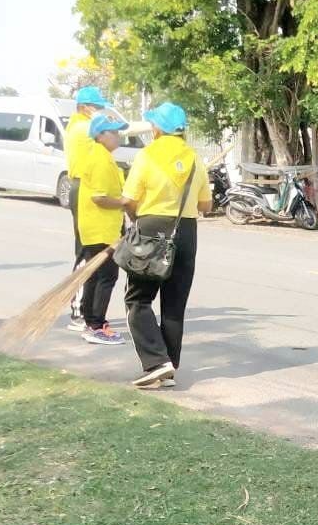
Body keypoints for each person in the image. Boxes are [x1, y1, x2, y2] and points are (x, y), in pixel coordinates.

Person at [119, 102, 211, 389]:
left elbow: (129, 200)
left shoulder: (147, 155)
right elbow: (206, 204)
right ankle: (169, 366)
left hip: (152, 227)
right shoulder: (195, 159)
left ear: (158, 128)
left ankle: (157, 363)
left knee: (137, 298)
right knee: (174, 304)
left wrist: (136, 220)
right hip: (186, 231)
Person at [74, 113, 128, 345]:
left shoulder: (101, 156)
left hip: (98, 226)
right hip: (100, 228)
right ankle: (96, 325)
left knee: (95, 275)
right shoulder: (99, 159)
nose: (118, 137)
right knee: (107, 275)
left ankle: (90, 321)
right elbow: (100, 198)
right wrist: (124, 203)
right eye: (114, 132)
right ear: (100, 135)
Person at [66, 85, 107, 325]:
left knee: (90, 247)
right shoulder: (82, 127)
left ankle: (83, 307)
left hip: (84, 186)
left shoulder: (78, 124)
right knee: (87, 249)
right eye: (96, 106)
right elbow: (113, 131)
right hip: (83, 188)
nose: (99, 111)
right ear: (83, 107)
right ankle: (79, 308)